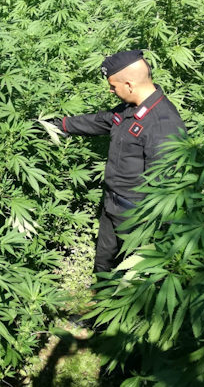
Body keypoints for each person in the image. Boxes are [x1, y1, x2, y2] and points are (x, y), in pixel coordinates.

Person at [49, 50, 185, 273]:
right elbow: (102, 121)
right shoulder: (131, 108)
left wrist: (157, 232)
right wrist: (59, 125)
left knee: (131, 274)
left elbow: (165, 185)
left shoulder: (163, 123)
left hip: (136, 216)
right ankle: (99, 291)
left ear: (129, 84)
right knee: (104, 262)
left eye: (113, 86)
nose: (111, 91)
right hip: (112, 205)